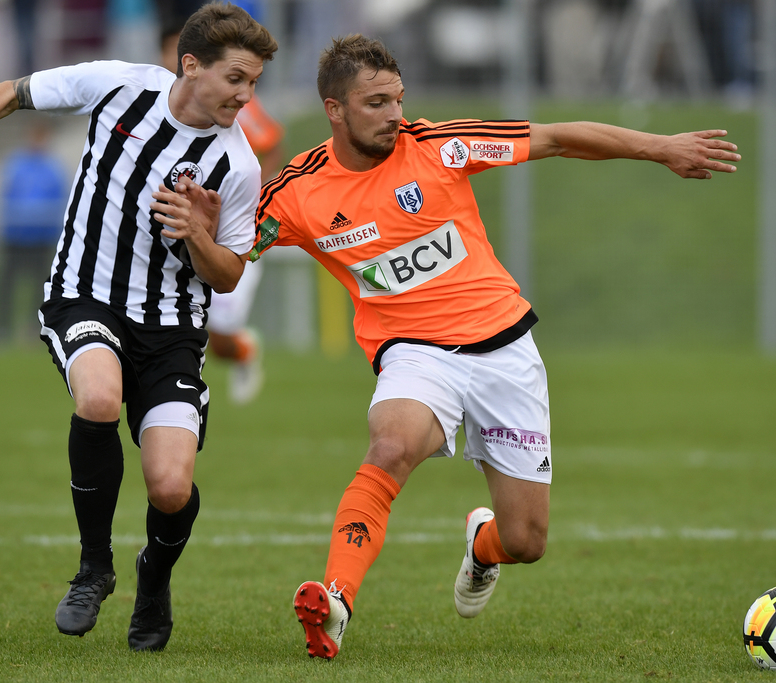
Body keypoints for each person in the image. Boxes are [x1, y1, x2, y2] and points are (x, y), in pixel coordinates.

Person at [240, 35, 740, 660]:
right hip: (414, 352)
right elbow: (232, 254)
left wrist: (661, 148)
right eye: (375, 103)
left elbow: (556, 137)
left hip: (504, 348)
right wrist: (199, 226)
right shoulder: (297, 192)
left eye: (398, 98)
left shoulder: (438, 146)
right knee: (390, 445)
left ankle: (482, 546)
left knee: (526, 539)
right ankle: (335, 601)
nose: (395, 113)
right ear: (334, 109)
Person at [0, 3, 277, 652]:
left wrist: (198, 232)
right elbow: (12, 93)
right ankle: (95, 567)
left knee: (172, 487)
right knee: (96, 396)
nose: (246, 95)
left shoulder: (237, 164)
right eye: (236, 78)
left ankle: (154, 577)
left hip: (172, 326)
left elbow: (228, 274)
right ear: (190, 64)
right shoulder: (119, 84)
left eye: (253, 81)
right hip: (84, 294)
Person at [160, 1, 284, 404]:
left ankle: (246, 350)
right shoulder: (155, 101)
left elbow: (270, 142)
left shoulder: (232, 102)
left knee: (221, 332)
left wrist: (254, 196)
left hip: (227, 228)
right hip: (175, 231)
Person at [0, 119, 68, 341]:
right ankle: (1, 329)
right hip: (15, 236)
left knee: (41, 288)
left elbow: (60, 201)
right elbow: (7, 196)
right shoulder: (15, 164)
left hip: (42, 238)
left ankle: (36, 330)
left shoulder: (53, 168)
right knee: (5, 286)